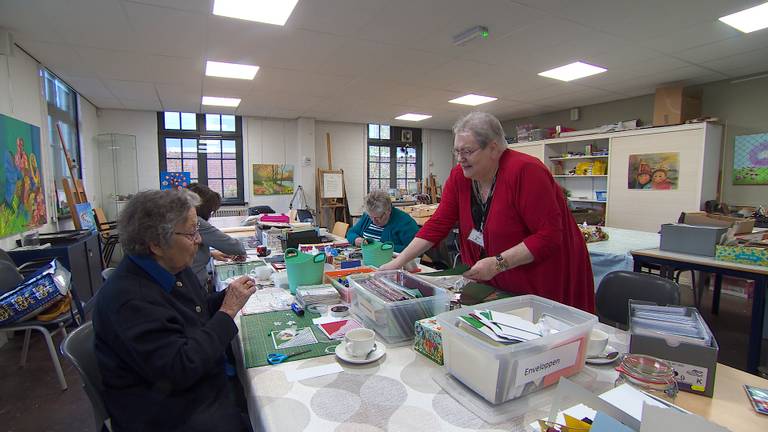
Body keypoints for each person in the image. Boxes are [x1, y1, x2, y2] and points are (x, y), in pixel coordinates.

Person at [381, 112, 595, 312]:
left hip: (540, 276)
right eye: (456, 151)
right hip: (496, 278)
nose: (460, 158)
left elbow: (548, 236)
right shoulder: (459, 177)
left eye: (467, 151)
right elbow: (438, 223)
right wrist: (397, 263)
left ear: (493, 148)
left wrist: (498, 262)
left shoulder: (526, 171)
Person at [93, 189, 257, 432]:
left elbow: (195, 311)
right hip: (166, 412)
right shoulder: (130, 300)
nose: (199, 240)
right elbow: (181, 368)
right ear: (157, 244)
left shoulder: (172, 269)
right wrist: (227, 311)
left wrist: (227, 296)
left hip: (193, 388)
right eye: (191, 233)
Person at [187, 183, 247, 291]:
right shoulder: (195, 221)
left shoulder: (180, 219)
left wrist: (211, 254)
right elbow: (237, 247)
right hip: (194, 287)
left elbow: (186, 250)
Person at [346, 189, 420, 253]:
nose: (374, 221)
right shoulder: (367, 216)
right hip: (369, 258)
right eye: (371, 217)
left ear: (388, 210)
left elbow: (417, 250)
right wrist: (356, 239)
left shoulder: (405, 223)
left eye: (378, 217)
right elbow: (351, 232)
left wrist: (382, 247)